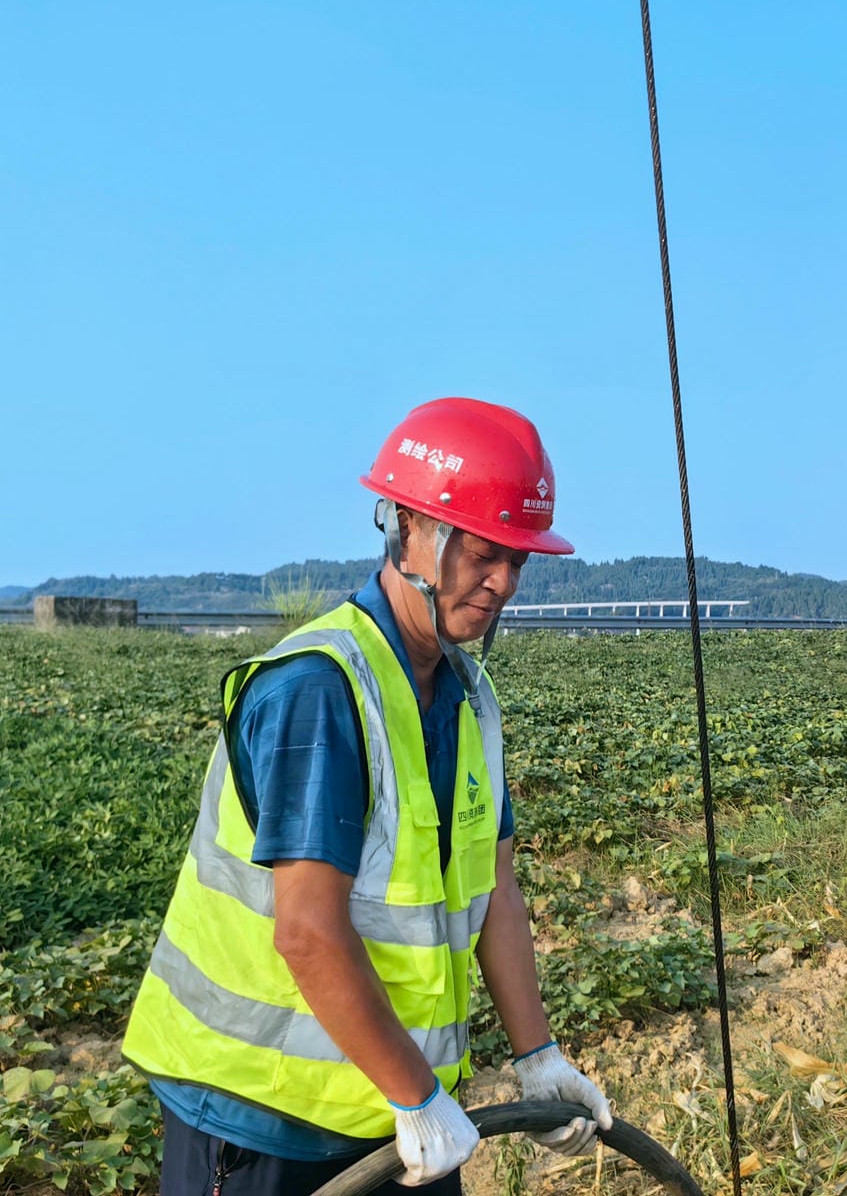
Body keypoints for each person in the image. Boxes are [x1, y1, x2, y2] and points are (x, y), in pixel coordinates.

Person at [122, 397, 613, 1193]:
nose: (503, 582)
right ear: (407, 528)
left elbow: (497, 891)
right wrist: (417, 1093)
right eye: (485, 551)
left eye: (519, 561)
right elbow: (308, 931)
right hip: (263, 1119)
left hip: (393, 1104)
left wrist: (537, 1055)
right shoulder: (320, 690)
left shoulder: (466, 698)